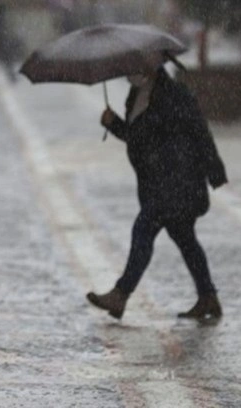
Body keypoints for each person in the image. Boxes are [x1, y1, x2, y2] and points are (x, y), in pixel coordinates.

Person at [87, 63, 228, 321]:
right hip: (159, 182)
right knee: (184, 238)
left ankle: (120, 295)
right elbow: (138, 137)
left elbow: (198, 131)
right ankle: (208, 297)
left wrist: (214, 170)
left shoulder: (173, 94)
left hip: (178, 179)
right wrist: (114, 124)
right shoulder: (136, 94)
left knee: (144, 228)